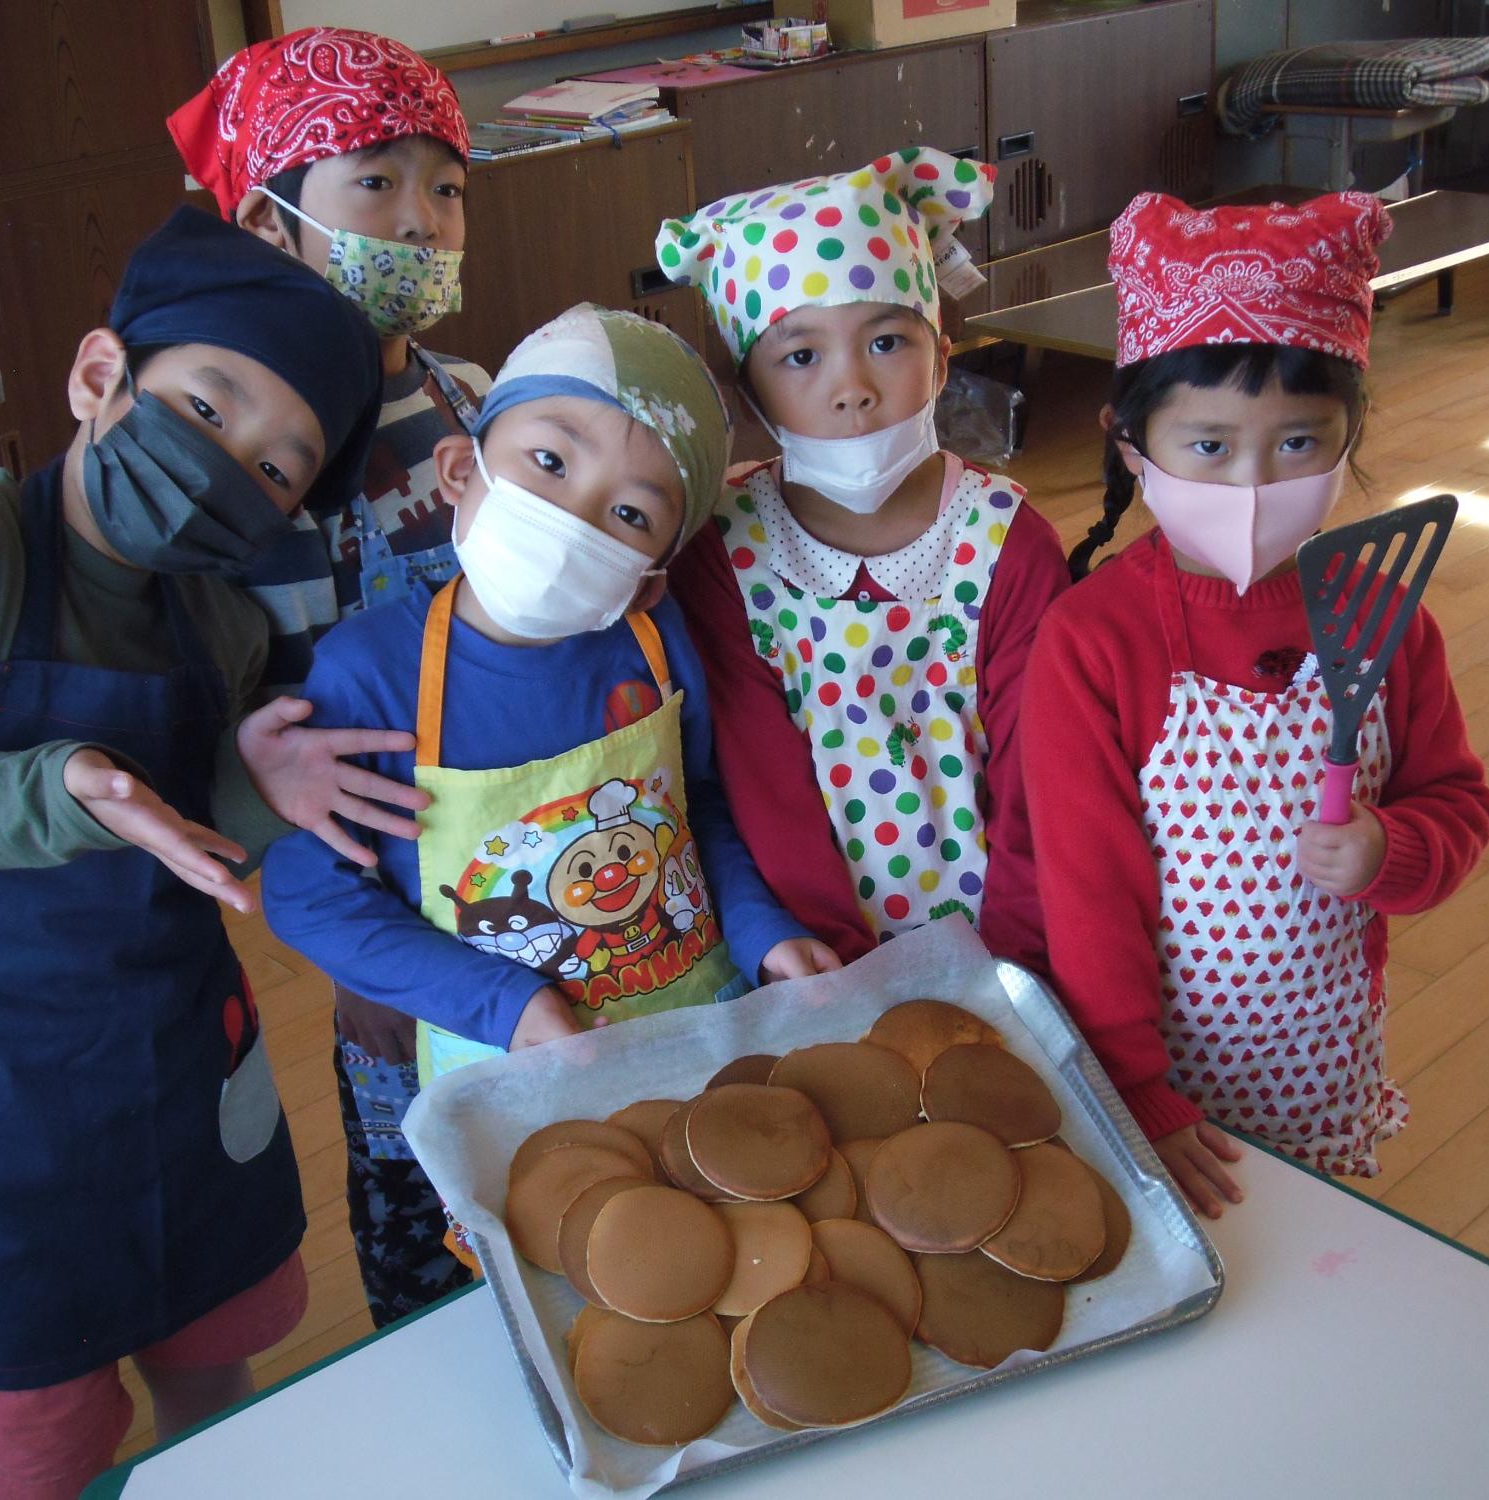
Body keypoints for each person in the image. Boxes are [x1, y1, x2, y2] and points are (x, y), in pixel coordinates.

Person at [0, 208, 387, 1498]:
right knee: (40, 1434)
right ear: (100, 375)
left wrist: (254, 782)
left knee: (215, 1385)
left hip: (179, 1063)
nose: (235, 470)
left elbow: (190, 829)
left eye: (279, 468)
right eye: (211, 408)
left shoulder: (216, 618)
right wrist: (60, 783)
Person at [1024, 191, 1489, 1216]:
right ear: (1127, 439)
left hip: (1320, 1044)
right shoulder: (1091, 642)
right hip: (1151, 1064)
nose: (1250, 482)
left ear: (1350, 431)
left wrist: (1393, 849)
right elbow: (1085, 886)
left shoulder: (1387, 623)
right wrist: (1136, 1085)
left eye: (1296, 443)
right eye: (1207, 445)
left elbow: (1456, 800)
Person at [262, 302, 839, 1093]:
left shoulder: (653, 639)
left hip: (700, 1032)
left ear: (649, 580)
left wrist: (761, 930)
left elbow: (694, 809)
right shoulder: (369, 673)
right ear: (462, 471)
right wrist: (502, 1001)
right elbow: (309, 896)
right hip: (508, 1069)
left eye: (630, 513)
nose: (573, 515)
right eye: (551, 462)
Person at [170, 24, 490, 1324]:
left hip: (537, 844)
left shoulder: (484, 405)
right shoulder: (232, 468)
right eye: (376, 182)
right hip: (369, 906)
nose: (421, 222)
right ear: (268, 220)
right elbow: (206, 717)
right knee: (427, 1179)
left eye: (449, 187)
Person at [655, 147, 1071, 977]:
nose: (851, 389)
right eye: (801, 357)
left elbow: (1044, 777)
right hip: (808, 959)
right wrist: (834, 965)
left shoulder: (1008, 541)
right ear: (750, 396)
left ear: (943, 357)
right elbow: (758, 780)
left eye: (885, 340)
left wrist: (1018, 955)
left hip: (1007, 942)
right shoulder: (725, 554)